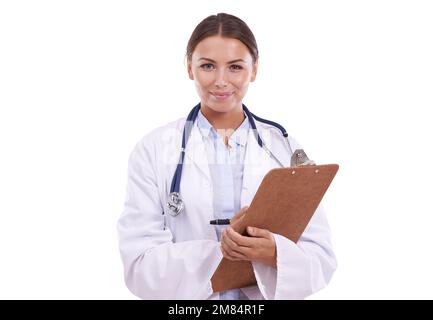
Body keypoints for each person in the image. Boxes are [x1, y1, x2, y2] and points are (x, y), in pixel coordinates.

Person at [117, 12, 336, 300]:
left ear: (254, 70)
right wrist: (232, 253)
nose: (221, 81)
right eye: (208, 66)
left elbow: (320, 258)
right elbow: (139, 265)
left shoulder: (283, 148)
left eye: (235, 67)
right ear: (189, 68)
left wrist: (274, 253)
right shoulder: (154, 150)